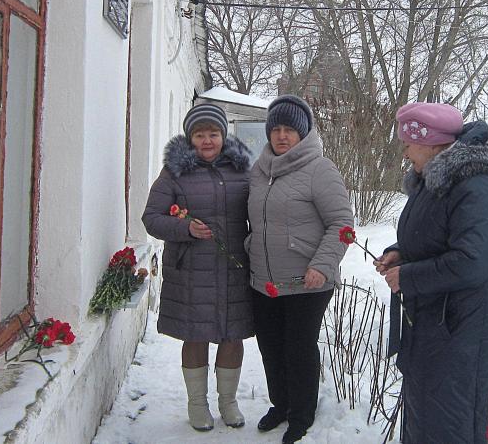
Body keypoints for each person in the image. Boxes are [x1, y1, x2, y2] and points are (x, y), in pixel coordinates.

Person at [375, 103, 488, 444]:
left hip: (469, 326)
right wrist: (401, 252)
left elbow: (472, 260)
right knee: (431, 410)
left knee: (461, 415)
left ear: (433, 143)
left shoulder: (476, 186)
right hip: (439, 322)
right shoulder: (434, 181)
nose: (405, 150)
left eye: (409, 143)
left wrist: (409, 277)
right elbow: (433, 235)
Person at [246, 95, 353, 444]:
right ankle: (281, 405)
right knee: (271, 346)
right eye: (275, 129)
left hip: (307, 281)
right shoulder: (259, 171)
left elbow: (341, 224)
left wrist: (323, 265)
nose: (281, 135)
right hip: (265, 281)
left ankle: (301, 414)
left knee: (298, 347)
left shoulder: (320, 169)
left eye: (289, 129)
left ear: (303, 133)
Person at [142, 103, 255, 432]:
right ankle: (197, 404)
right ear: (190, 138)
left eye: (214, 134)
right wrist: (185, 229)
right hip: (192, 270)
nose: (207, 141)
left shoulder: (242, 171)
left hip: (235, 268)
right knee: (196, 337)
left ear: (224, 135)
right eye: (200, 135)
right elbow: (151, 219)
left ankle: (228, 402)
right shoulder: (174, 173)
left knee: (233, 337)